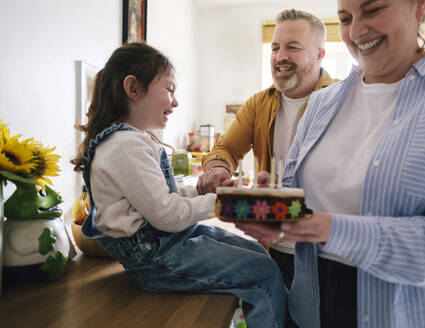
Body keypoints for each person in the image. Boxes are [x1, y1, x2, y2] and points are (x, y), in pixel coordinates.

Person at [233, 0, 425, 327]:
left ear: (419, 7)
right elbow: (298, 196)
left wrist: (329, 229)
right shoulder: (322, 103)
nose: (356, 31)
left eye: (373, 10)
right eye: (345, 18)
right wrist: (271, 200)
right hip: (312, 308)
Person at [71, 42, 286, 328]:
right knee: (264, 274)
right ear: (133, 89)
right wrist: (229, 200)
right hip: (156, 257)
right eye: (170, 89)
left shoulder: (131, 140)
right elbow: (167, 214)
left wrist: (200, 190)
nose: (176, 102)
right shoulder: (125, 145)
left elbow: (156, 197)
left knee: (258, 252)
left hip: (166, 243)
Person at [197, 8, 337, 295]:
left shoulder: (341, 99)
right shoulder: (258, 104)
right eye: (275, 48)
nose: (280, 56)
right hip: (273, 247)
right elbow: (224, 148)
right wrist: (218, 168)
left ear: (320, 55)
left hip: (327, 252)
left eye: (292, 48)